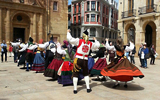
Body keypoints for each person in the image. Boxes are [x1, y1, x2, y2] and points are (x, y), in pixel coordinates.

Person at [67, 29, 100, 94]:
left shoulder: (79, 41)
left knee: (75, 74)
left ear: (82, 36)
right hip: (85, 60)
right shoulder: (90, 43)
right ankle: (88, 88)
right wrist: (95, 40)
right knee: (86, 74)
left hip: (78, 59)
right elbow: (97, 45)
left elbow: (70, 39)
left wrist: (68, 32)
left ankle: (75, 89)